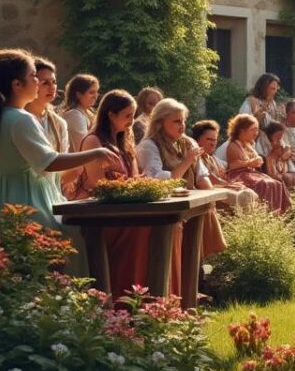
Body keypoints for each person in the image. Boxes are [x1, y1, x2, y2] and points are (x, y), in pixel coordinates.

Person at [0, 50, 113, 231]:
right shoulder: (21, 119)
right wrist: (96, 152)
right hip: (25, 206)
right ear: (17, 84)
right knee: (78, 237)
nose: (37, 82)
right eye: (33, 77)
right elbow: (49, 162)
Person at [71, 89, 183, 298]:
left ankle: (166, 298)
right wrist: (132, 187)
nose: (132, 121)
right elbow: (98, 185)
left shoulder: (125, 141)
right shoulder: (93, 141)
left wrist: (146, 185)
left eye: (133, 115)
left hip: (123, 207)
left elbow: (133, 177)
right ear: (110, 115)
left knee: (173, 225)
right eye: (127, 116)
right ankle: (129, 299)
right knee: (144, 230)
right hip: (97, 212)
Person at [137, 98, 226, 255]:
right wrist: (187, 161)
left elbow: (201, 175)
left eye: (183, 120)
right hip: (165, 207)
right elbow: (159, 180)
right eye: (177, 121)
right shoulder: (149, 145)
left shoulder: (189, 142)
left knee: (209, 208)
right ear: (160, 122)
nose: (182, 126)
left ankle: (205, 265)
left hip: (189, 201)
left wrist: (210, 198)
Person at [224, 114, 292, 212]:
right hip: (238, 175)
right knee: (264, 183)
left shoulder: (249, 144)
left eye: (257, 129)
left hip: (251, 174)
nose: (256, 133)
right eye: (253, 130)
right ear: (242, 131)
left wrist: (257, 162)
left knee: (277, 183)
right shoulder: (233, 145)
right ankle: (264, 213)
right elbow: (232, 165)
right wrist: (249, 163)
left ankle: (281, 214)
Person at [24, 57, 70, 191]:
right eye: (45, 83)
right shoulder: (19, 119)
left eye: (54, 82)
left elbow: (62, 166)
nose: (52, 87)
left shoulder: (59, 123)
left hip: (50, 192)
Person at [190, 120, 256, 210]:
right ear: (197, 139)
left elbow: (224, 170)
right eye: (209, 139)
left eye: (215, 140)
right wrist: (228, 184)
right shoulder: (195, 157)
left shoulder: (212, 158)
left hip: (218, 190)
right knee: (245, 196)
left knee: (249, 192)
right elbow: (210, 179)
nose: (213, 143)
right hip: (206, 195)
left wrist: (232, 183)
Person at [240, 73, 286, 155]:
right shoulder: (251, 101)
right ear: (264, 87)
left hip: (270, 138)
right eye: (272, 89)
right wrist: (259, 116)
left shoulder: (273, 103)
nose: (275, 92)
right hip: (254, 138)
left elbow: (273, 123)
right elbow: (243, 122)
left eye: (276, 89)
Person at [60, 73, 100, 155]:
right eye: (91, 92)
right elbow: (82, 148)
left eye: (97, 92)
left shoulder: (87, 113)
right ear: (78, 94)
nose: (96, 96)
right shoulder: (74, 115)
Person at [262, 122, 295, 188]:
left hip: (283, 168)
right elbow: (271, 170)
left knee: (290, 177)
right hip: (273, 171)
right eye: (277, 136)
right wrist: (279, 156)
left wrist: (285, 155)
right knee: (282, 178)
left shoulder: (282, 145)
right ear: (270, 137)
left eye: (281, 136)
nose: (280, 139)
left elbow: (288, 153)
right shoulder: (266, 147)